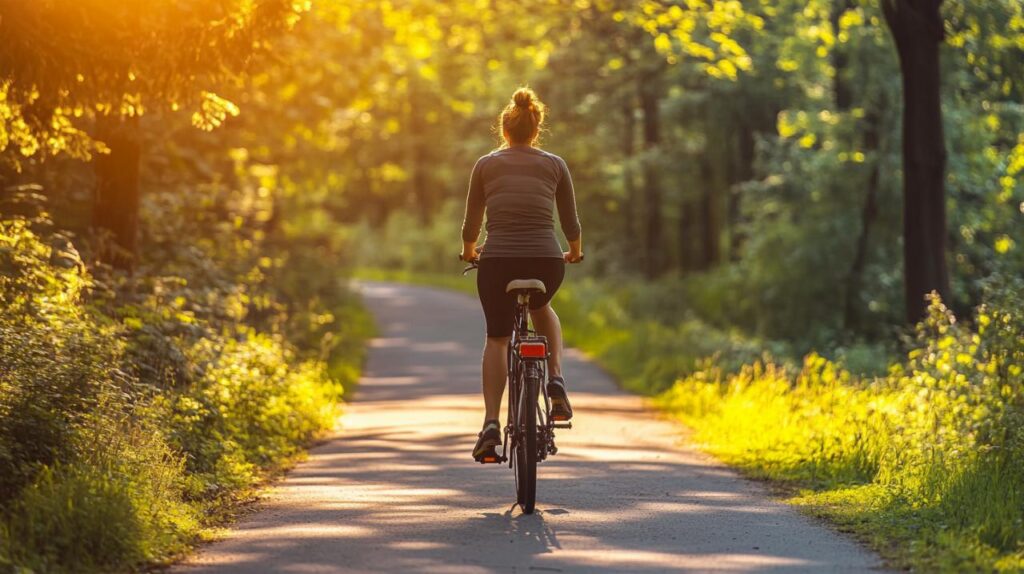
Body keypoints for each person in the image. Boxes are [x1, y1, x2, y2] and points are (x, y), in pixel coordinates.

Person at [459, 87, 583, 462]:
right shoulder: (555, 164)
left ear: (505, 129)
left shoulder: (485, 164)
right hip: (547, 259)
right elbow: (571, 223)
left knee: (497, 339)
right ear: (536, 128)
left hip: (496, 261)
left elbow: (471, 225)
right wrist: (574, 253)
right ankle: (556, 378)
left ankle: (491, 423)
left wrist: (469, 251)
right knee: (543, 308)